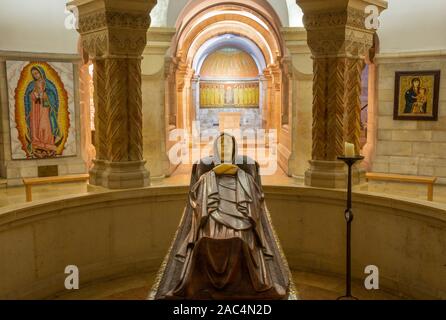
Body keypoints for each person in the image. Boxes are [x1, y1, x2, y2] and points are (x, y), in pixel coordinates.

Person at [154, 133, 290, 300]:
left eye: (228, 146)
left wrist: (239, 174)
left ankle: (252, 282)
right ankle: (198, 282)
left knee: (241, 237)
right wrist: (211, 176)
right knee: (206, 237)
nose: (225, 149)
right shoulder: (206, 178)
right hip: (213, 216)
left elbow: (255, 202)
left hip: (241, 219)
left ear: (235, 150)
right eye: (221, 146)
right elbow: (199, 202)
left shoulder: (245, 176)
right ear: (215, 150)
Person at [24, 66, 61, 158]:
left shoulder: (48, 84)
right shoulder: (31, 85)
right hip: (35, 109)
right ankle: (37, 146)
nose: (35, 75)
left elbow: (53, 96)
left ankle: (48, 145)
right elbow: (27, 97)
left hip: (45, 109)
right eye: (33, 74)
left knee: (45, 126)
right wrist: (33, 94)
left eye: (36, 73)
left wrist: (44, 95)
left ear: (41, 73)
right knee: (35, 126)